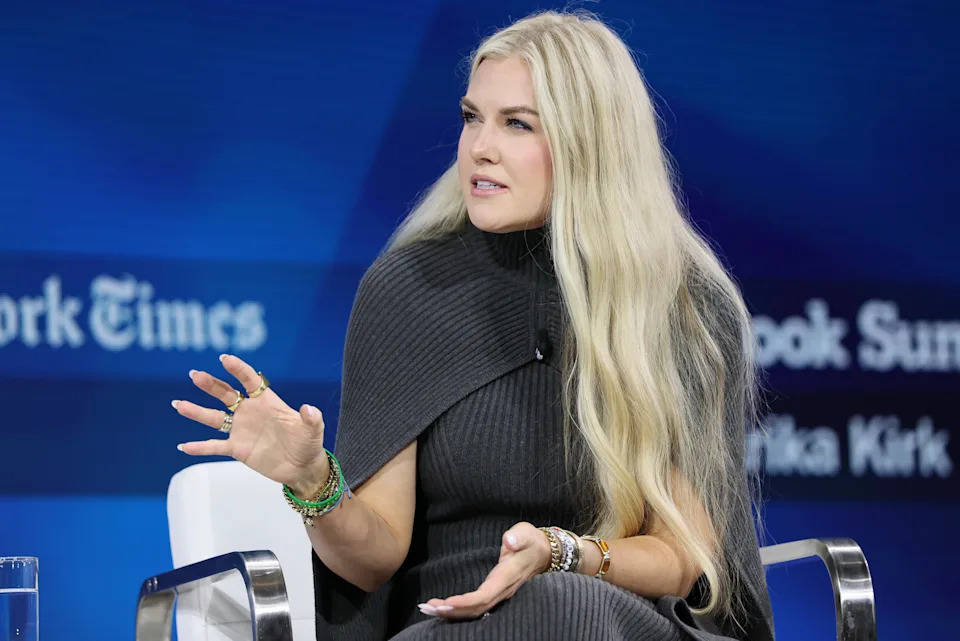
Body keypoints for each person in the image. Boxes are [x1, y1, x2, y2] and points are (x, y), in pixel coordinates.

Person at [172, 10, 774, 641]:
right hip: (451, 624)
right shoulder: (411, 289)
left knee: (561, 605)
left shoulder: (679, 304)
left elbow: (681, 556)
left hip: (623, 620)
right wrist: (313, 481)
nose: (480, 146)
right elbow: (373, 558)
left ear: (589, 143)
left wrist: (562, 555)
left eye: (517, 124)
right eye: (471, 117)